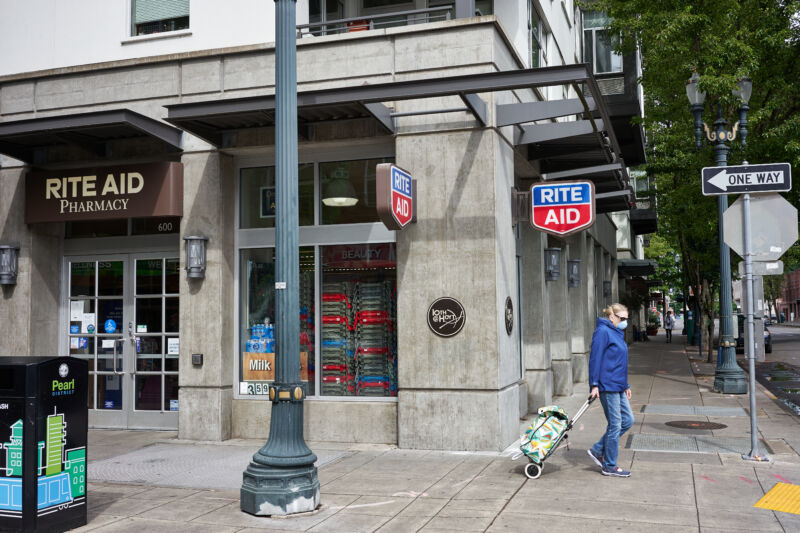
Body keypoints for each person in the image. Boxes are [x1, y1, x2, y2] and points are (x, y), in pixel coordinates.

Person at [587, 303, 634, 477]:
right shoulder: (603, 332)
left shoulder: (616, 331)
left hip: (618, 385)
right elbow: (595, 358)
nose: (625, 322)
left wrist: (626, 385)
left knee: (627, 420)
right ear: (612, 316)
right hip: (607, 385)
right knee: (615, 425)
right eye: (622, 319)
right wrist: (594, 384)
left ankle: (598, 449)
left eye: (626, 319)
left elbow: (619, 363)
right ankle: (609, 465)